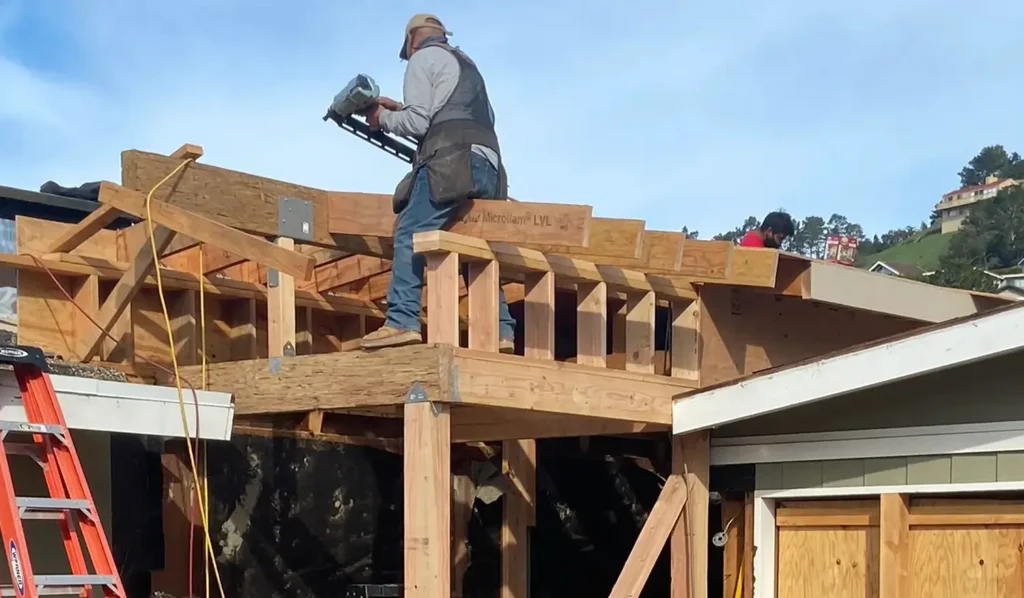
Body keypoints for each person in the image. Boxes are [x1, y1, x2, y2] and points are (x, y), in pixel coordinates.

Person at [360, 13, 516, 352]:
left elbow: (418, 122)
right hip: (488, 165)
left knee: (409, 233)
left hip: (452, 164)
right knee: (475, 248)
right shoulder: (466, 64)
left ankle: (401, 321)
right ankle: (502, 330)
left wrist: (382, 118)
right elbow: (447, 111)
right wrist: (399, 106)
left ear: (412, 40)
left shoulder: (422, 59)